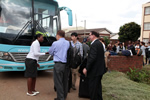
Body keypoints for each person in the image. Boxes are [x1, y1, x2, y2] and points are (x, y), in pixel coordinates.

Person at [83, 31, 106, 100]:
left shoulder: (95, 44)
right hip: (99, 70)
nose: (89, 37)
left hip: (94, 71)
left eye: (89, 35)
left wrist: (86, 68)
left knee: (93, 89)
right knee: (98, 88)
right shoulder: (99, 43)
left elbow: (92, 58)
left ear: (94, 36)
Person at [48, 30, 70, 100]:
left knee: (58, 82)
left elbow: (50, 52)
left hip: (58, 64)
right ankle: (64, 96)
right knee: (65, 82)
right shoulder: (68, 43)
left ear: (58, 35)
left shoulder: (55, 43)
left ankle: (60, 98)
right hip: (66, 65)